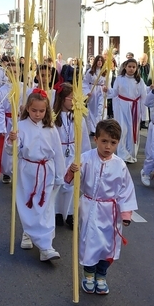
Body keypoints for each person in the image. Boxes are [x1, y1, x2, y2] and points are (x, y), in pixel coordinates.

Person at [65, 119, 137, 296]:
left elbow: (125, 190)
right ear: (96, 139)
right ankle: (89, 275)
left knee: (107, 245)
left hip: (111, 212)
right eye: (104, 141)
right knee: (89, 243)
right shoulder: (85, 159)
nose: (108, 146)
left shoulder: (119, 165)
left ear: (117, 143)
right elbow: (72, 182)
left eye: (113, 143)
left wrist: (125, 213)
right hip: (90, 207)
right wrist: (73, 171)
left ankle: (101, 275)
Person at [6, 89, 65, 261]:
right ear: (27, 109)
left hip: (47, 170)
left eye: (42, 111)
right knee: (29, 204)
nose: (38, 114)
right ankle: (28, 232)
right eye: (34, 110)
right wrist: (12, 140)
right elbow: (11, 152)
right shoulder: (20, 126)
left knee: (45, 207)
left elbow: (58, 153)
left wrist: (60, 175)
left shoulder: (51, 128)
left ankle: (46, 246)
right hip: (28, 171)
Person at [53, 83, 91, 229]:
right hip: (59, 152)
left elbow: (84, 137)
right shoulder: (53, 117)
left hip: (73, 151)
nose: (73, 101)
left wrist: (83, 156)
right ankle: (56, 212)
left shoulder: (78, 116)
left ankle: (70, 213)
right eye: (70, 98)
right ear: (62, 99)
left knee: (72, 183)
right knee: (59, 182)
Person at [107, 58, 147, 164]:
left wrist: (144, 114)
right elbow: (114, 92)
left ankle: (131, 153)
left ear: (136, 68)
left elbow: (144, 96)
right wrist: (107, 91)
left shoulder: (139, 80)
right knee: (122, 129)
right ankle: (122, 154)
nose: (131, 69)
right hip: (121, 106)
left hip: (134, 108)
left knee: (132, 131)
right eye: (129, 66)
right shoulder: (120, 78)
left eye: (134, 67)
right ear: (125, 67)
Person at [0, 64, 19, 184]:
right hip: (8, 122)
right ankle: (7, 172)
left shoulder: (25, 88)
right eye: (11, 72)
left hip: (21, 122)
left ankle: (19, 172)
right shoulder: (2, 91)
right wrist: (1, 128)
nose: (14, 74)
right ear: (7, 74)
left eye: (16, 72)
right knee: (7, 148)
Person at [83, 55, 108, 135]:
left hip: (101, 92)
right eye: (98, 60)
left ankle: (99, 127)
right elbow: (85, 82)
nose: (100, 62)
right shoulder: (90, 71)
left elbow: (107, 83)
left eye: (101, 60)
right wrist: (87, 91)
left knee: (100, 109)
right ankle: (92, 129)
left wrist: (106, 89)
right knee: (92, 110)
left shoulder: (105, 72)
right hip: (93, 91)